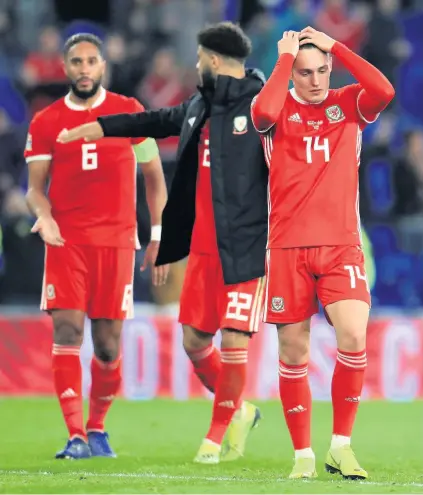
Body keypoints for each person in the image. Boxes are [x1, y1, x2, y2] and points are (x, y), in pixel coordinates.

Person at [58, 22, 269, 464]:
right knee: (194, 341)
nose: (194, 65)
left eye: (198, 58)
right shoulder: (198, 106)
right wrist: (99, 127)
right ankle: (241, 411)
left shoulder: (262, 108)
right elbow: (151, 120)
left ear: (213, 59)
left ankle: (215, 436)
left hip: (244, 248)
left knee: (234, 341)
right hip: (202, 248)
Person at [251, 27, 395, 479]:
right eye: (305, 72)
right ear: (291, 72)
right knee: (293, 353)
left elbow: (384, 89)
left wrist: (338, 47)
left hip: (341, 245)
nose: (315, 80)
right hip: (287, 246)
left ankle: (341, 446)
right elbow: (263, 110)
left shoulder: (349, 102)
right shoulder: (276, 109)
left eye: (322, 71)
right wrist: (282, 58)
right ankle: (303, 458)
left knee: (353, 336)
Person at [24, 33, 168, 459]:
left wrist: (157, 235)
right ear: (65, 68)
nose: (84, 69)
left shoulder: (130, 111)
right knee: (67, 331)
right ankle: (75, 436)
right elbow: (34, 189)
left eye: (91, 61)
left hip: (118, 243)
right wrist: (45, 216)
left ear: (103, 66)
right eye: (76, 62)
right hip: (66, 241)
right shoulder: (46, 121)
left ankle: (97, 427)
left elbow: (155, 179)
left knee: (107, 344)